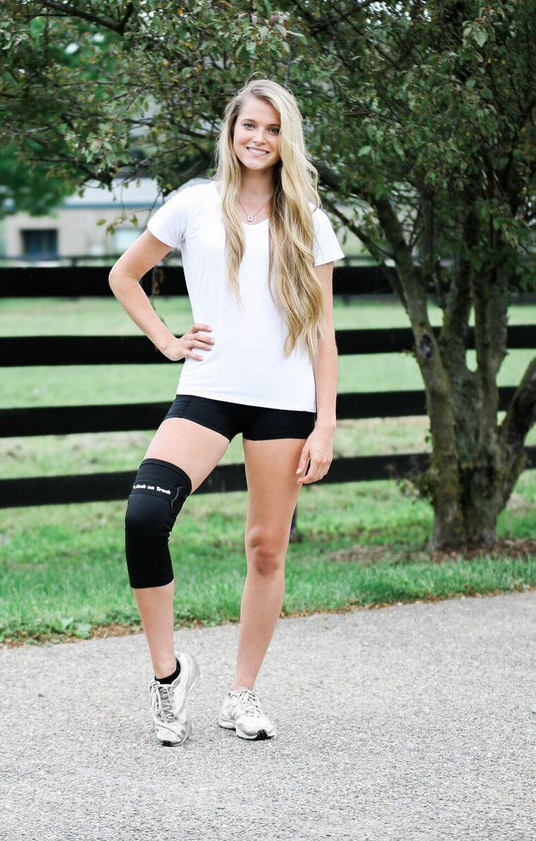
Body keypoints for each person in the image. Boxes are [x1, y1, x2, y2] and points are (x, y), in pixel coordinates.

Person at [108, 77, 344, 746]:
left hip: (285, 401)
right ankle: (168, 677)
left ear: (284, 138)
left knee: (267, 549)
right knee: (145, 517)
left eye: (272, 129)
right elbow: (124, 275)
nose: (259, 139)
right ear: (231, 132)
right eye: (249, 126)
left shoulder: (310, 221)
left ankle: (241, 695)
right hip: (208, 389)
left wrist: (325, 423)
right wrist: (167, 338)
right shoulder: (193, 205)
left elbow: (325, 334)